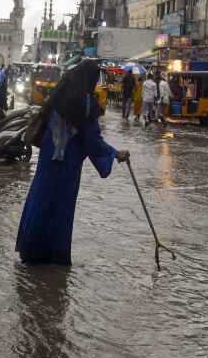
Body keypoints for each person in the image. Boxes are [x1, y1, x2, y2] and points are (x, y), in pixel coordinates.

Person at [16, 60, 130, 265]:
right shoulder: (84, 104)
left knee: (40, 202)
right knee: (60, 211)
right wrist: (115, 154)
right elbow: (93, 142)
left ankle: (31, 254)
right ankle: (54, 259)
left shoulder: (59, 98)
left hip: (47, 162)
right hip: (66, 167)